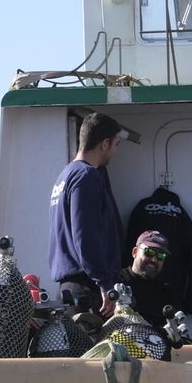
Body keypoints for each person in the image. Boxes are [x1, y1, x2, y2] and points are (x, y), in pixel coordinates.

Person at [49, 112, 126, 318]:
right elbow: (85, 235)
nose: (116, 151)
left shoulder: (64, 177)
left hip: (69, 288)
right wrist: (104, 283)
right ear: (105, 143)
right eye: (116, 144)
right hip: (87, 290)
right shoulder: (86, 176)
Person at [120, 230, 177, 324]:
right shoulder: (114, 282)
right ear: (135, 252)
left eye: (161, 255)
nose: (154, 260)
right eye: (149, 252)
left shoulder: (166, 293)